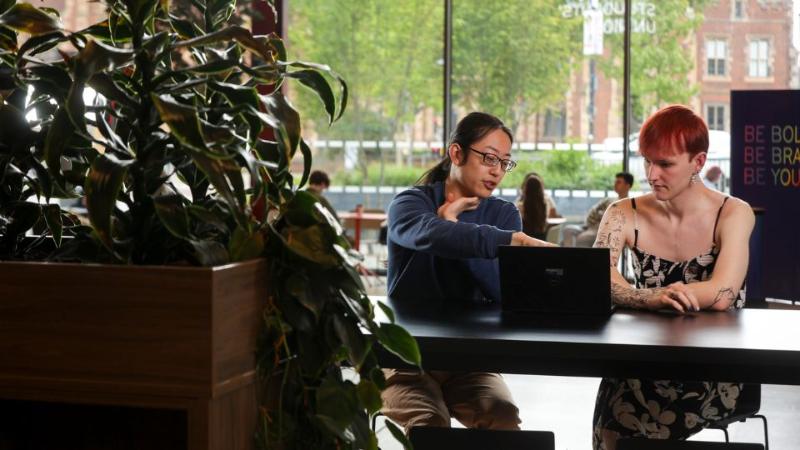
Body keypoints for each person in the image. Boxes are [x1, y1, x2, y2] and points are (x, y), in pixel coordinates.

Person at [591, 105, 755, 450]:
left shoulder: (734, 212)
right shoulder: (623, 212)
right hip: (647, 357)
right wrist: (648, 297)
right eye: (647, 161)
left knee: (624, 414)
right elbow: (597, 275)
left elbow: (723, 292)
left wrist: (644, 295)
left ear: (698, 162)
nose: (652, 174)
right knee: (616, 404)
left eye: (665, 164)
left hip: (715, 363)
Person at [383, 112, 551, 432]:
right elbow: (428, 234)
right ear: (456, 153)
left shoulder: (502, 213)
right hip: (406, 359)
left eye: (505, 162)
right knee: (429, 424)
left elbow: (500, 289)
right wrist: (501, 241)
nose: (497, 170)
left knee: (501, 418)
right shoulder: (409, 205)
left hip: (470, 361)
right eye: (489, 158)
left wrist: (454, 230)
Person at [562, 172, 633, 247]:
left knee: (582, 238)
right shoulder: (609, 200)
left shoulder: (629, 204)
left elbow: (614, 222)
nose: (615, 184)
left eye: (618, 182)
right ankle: (569, 256)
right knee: (568, 230)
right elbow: (594, 210)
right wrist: (600, 215)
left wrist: (601, 215)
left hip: (603, 231)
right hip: (589, 226)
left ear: (627, 186)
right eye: (615, 182)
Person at [518, 175, 548, 240]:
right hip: (541, 241)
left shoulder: (521, 206)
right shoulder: (544, 205)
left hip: (526, 242)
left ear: (526, 189)